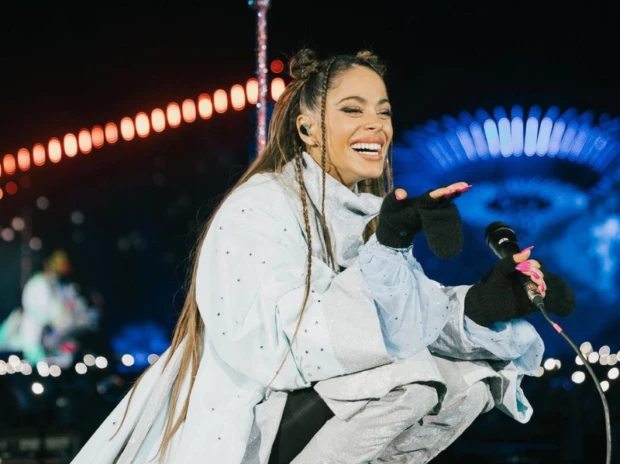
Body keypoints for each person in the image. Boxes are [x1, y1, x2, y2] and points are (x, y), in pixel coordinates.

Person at [71, 49, 574, 463]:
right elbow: (278, 347)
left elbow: (411, 322)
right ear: (308, 128)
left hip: (317, 416)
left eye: (384, 111)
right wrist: (388, 251)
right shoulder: (260, 205)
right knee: (415, 381)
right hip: (246, 420)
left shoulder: (367, 214)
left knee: (473, 382)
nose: (375, 124)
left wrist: (483, 306)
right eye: (353, 110)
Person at [0, 249, 74, 364]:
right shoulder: (39, 282)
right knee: (32, 356)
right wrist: (56, 319)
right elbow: (40, 307)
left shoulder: (57, 285)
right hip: (31, 327)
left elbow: (60, 309)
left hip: (46, 332)